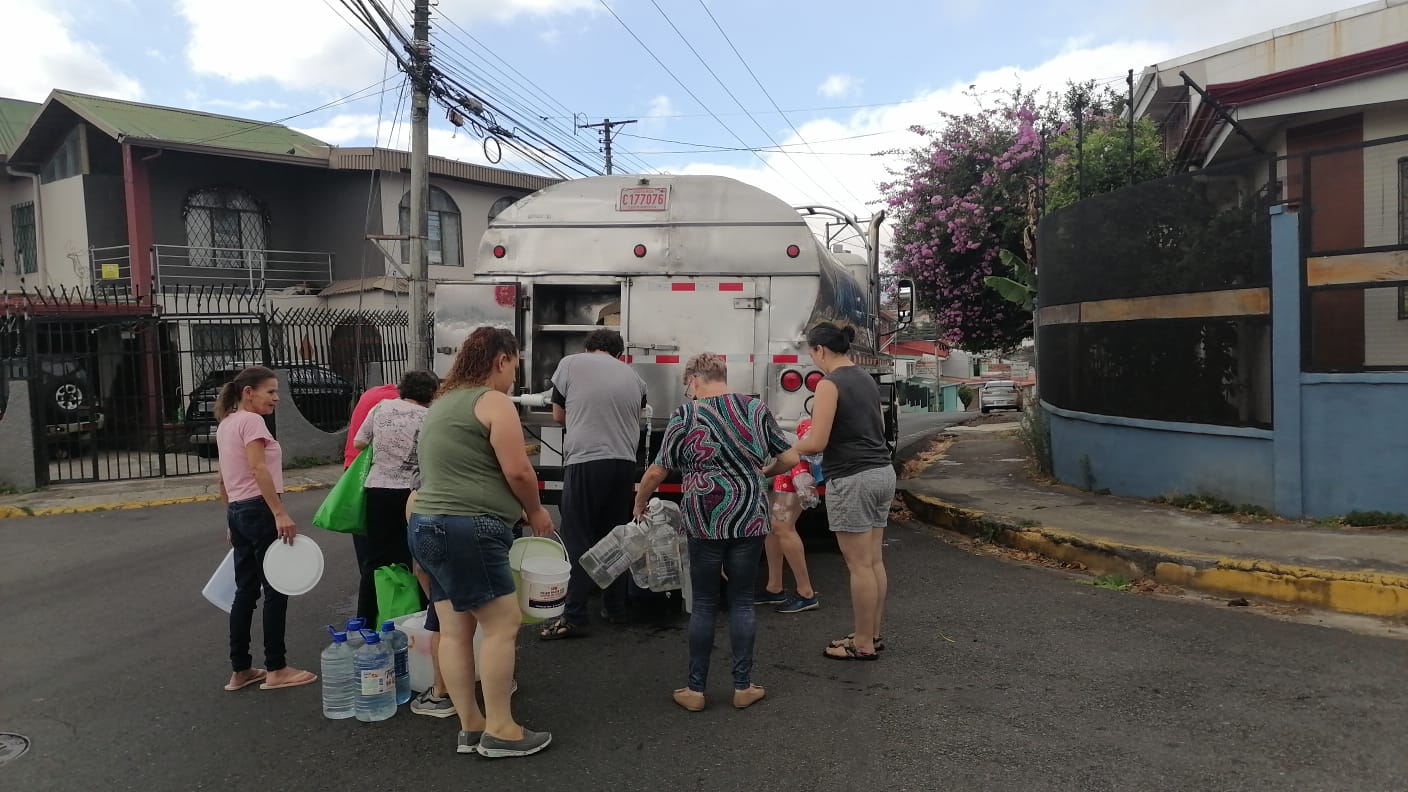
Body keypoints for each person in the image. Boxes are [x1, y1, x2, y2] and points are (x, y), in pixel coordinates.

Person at [409, 326, 554, 759]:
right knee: (502, 625)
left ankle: (471, 726)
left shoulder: (441, 402)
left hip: (425, 524)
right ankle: (502, 729)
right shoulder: (493, 401)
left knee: (454, 630)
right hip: (469, 528)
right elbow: (518, 471)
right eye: (515, 365)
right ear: (501, 359)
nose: (514, 375)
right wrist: (536, 511)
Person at [634, 353, 798, 712]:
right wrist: (761, 475)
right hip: (749, 517)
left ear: (694, 380)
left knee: (706, 603)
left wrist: (640, 503)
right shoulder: (756, 410)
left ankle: (695, 690)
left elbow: (656, 472)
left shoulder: (686, 416)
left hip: (703, 519)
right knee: (741, 601)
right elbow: (791, 457)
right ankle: (742, 687)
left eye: (685, 385)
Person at [790, 323, 896, 661]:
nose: (812, 359)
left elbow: (817, 441)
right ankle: (872, 634)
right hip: (882, 472)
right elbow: (878, 428)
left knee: (859, 565)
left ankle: (862, 643)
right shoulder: (865, 378)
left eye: (811, 353)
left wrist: (787, 452)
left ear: (820, 349)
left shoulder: (829, 384)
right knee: (874, 561)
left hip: (853, 478)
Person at [539, 328, 647, 640]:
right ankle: (615, 608)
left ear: (588, 347)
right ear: (619, 353)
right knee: (613, 536)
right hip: (624, 462)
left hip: (586, 460)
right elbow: (636, 416)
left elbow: (559, 415)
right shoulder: (635, 378)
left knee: (577, 534)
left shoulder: (571, 363)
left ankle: (574, 615)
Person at [216, 366, 317, 692]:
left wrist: (231, 518)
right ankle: (276, 668)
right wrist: (280, 513)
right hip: (259, 508)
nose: (276, 398)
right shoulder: (251, 421)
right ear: (249, 392)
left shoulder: (226, 424)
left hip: (238, 509)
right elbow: (259, 468)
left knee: (245, 591)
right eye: (270, 391)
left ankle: (241, 669)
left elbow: (223, 478)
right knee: (277, 588)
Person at [351, 369, 439, 626]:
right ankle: (417, 618)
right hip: (411, 494)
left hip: (376, 490)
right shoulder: (429, 416)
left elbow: (359, 442)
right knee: (415, 558)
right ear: (432, 393)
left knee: (375, 560)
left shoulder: (381, 407)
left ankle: (365, 622)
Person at [344, 381, 400, 606]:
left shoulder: (373, 395)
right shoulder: (394, 402)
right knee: (390, 557)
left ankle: (369, 618)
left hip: (354, 472)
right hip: (378, 478)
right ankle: (387, 611)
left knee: (368, 557)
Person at [756, 417, 820, 613]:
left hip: (795, 465)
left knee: (782, 526)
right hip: (787, 463)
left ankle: (806, 592)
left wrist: (763, 473)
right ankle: (774, 588)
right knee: (772, 527)